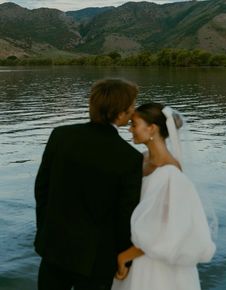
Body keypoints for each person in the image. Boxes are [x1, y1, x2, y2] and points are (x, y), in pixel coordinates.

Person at [34, 78, 143, 290]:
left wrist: (44, 232)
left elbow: (42, 190)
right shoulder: (130, 158)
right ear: (119, 113)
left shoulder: (60, 135)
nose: (133, 112)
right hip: (96, 259)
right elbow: (125, 215)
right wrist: (125, 259)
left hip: (53, 248)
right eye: (131, 107)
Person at [112, 103, 216, 290]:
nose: (130, 129)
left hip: (155, 267)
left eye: (135, 124)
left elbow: (164, 232)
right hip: (136, 257)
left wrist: (123, 257)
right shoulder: (142, 160)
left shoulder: (171, 175)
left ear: (151, 128)